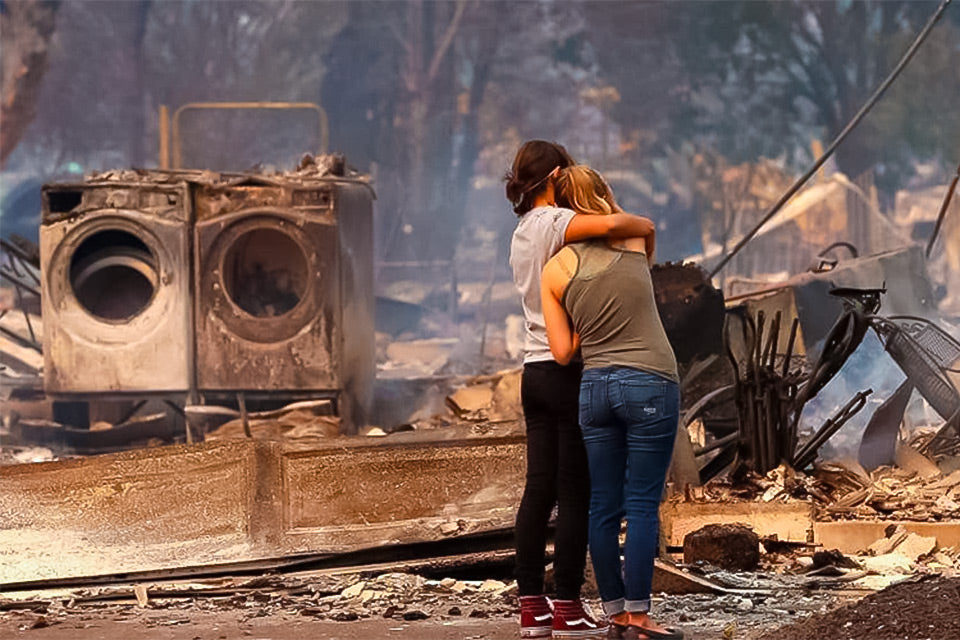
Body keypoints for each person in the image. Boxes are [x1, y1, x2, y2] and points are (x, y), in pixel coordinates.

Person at [505, 141, 656, 639]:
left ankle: (532, 606)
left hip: (533, 372)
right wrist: (639, 223)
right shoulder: (553, 222)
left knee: (537, 488)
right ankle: (567, 603)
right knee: (576, 493)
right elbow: (612, 226)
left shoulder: (520, 231)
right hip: (568, 367)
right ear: (554, 175)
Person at [541, 166, 683, 640]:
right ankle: (641, 618)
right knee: (641, 503)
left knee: (602, 505)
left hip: (595, 388)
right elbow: (642, 225)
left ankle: (615, 615)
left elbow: (562, 352)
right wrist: (606, 201)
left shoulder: (554, 269)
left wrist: (591, 318)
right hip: (649, 382)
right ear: (603, 195)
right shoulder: (634, 243)